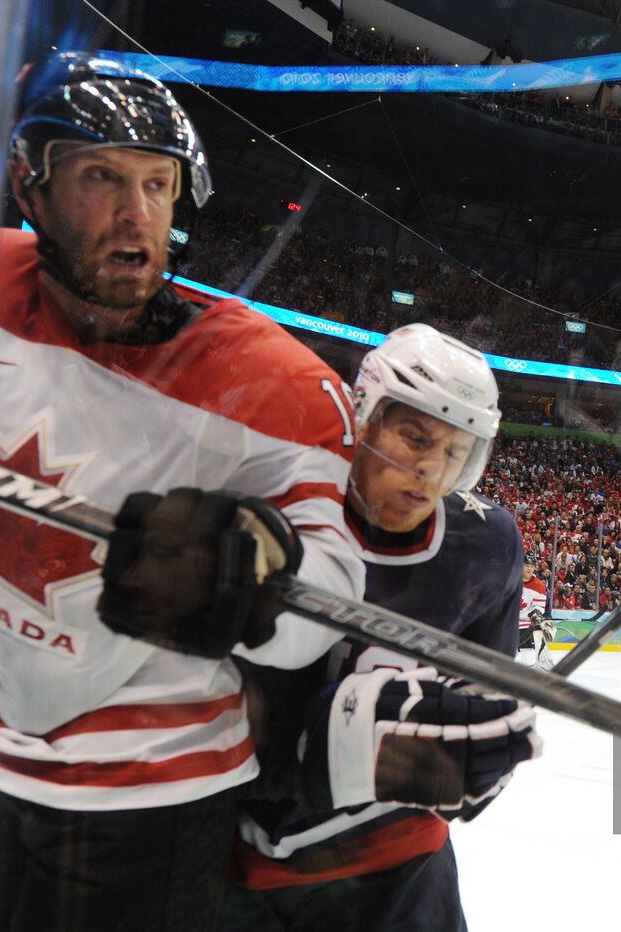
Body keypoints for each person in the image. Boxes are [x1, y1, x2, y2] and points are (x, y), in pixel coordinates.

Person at [0, 53, 368, 931]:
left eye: (158, 186)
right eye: (101, 178)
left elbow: (334, 597)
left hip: (154, 796)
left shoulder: (268, 380)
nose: (138, 215)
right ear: (31, 188)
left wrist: (260, 581)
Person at [219, 324, 541, 932]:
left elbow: (488, 699)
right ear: (362, 416)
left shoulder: (485, 543)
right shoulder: (278, 508)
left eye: (456, 452)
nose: (430, 471)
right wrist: (326, 748)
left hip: (404, 869)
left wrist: (479, 751)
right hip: (248, 863)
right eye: (415, 438)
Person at [519, 552, 555, 670]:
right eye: (527, 565)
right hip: (508, 625)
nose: (529, 568)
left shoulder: (539, 585)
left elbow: (539, 605)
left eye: (532, 566)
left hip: (526, 626)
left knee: (529, 658)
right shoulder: (511, 579)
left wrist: (537, 613)